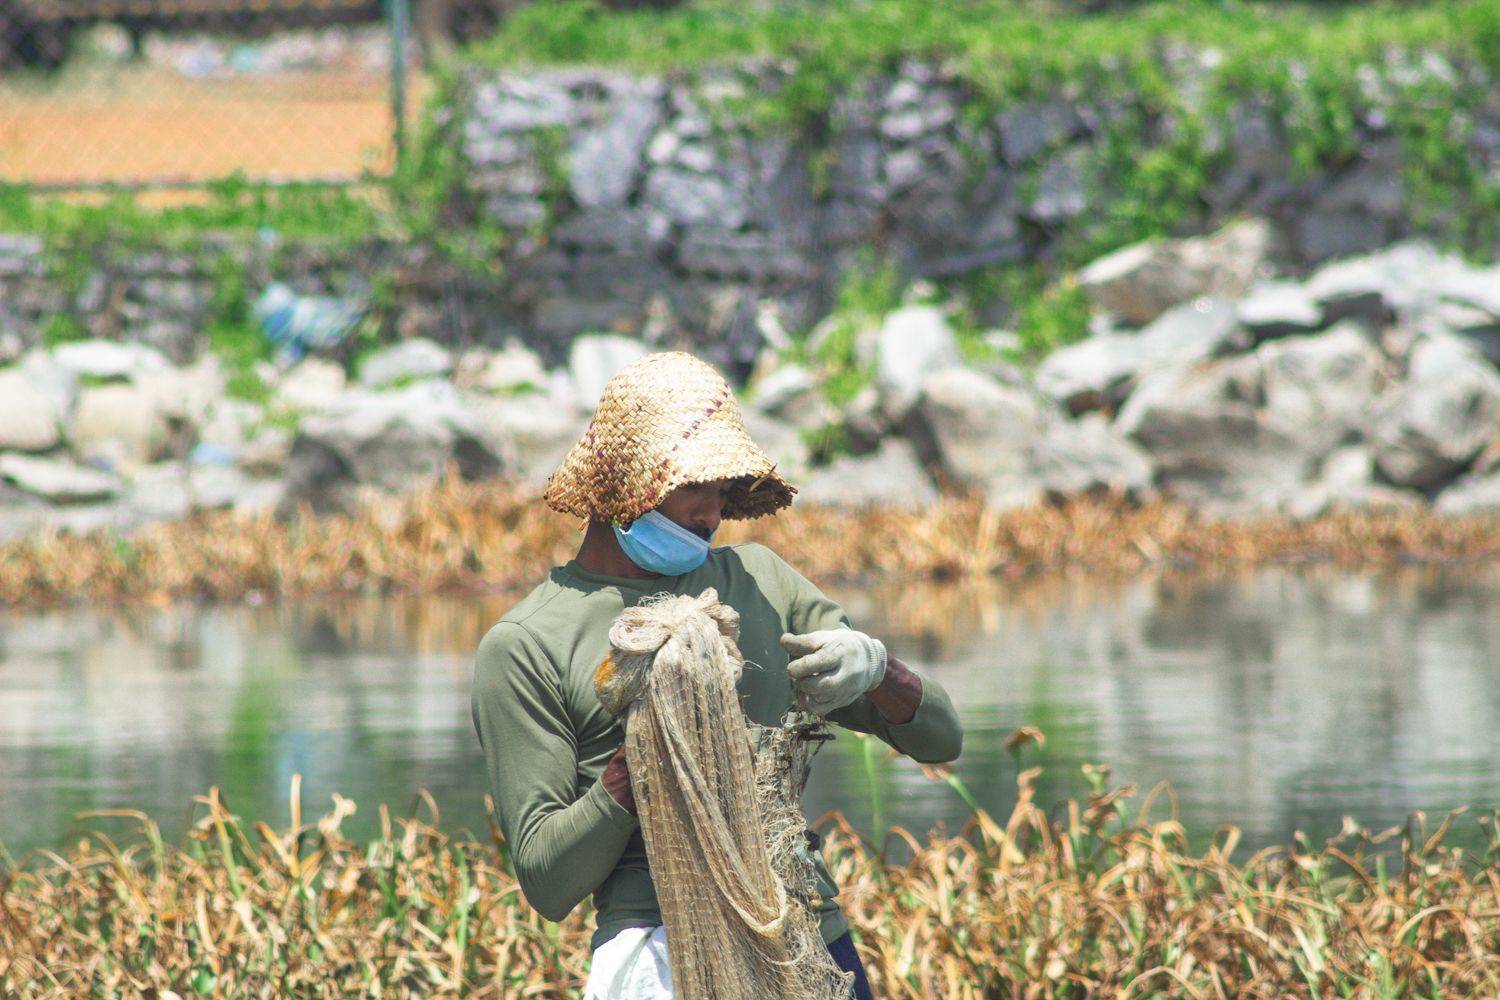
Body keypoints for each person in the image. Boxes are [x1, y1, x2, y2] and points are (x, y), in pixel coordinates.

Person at [471, 351, 964, 998]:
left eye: (723, 490)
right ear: (625, 481)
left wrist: (875, 668)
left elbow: (942, 739)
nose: (712, 514)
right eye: (694, 487)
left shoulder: (761, 582)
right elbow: (548, 881)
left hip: (807, 932)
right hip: (659, 947)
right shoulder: (527, 644)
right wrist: (648, 754)